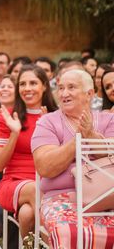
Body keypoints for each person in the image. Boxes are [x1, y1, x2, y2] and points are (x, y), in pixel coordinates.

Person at [32, 69, 114, 248]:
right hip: (60, 198)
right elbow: (45, 167)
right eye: (60, 88)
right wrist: (77, 138)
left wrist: (90, 135)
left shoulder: (109, 120)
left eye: (71, 87)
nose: (64, 93)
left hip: (108, 199)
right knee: (68, 232)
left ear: (90, 94)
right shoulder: (48, 122)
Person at [0, 64, 58, 238]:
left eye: (33, 83)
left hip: (49, 183)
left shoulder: (56, 116)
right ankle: (57, 242)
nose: (27, 89)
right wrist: (14, 133)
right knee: (34, 189)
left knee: (27, 214)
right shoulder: (8, 116)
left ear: (44, 86)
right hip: (15, 182)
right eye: (22, 84)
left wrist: (48, 131)